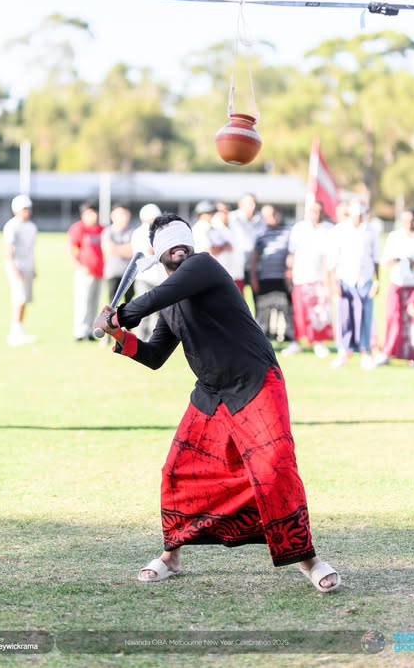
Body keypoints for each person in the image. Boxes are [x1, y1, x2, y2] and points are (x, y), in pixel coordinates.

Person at [93, 213, 340, 592]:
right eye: (167, 241)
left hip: (255, 383)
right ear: (158, 253)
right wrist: (121, 337)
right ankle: (171, 558)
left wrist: (119, 315)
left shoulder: (203, 265)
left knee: (275, 470)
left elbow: (153, 297)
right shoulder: (171, 303)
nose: (178, 245)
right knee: (176, 472)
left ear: (190, 243)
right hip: (212, 394)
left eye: (182, 237)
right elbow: (156, 355)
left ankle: (309, 560)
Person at [375, 207, 414, 366]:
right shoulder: (395, 237)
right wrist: (397, 260)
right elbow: (385, 261)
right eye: (406, 221)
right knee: (392, 318)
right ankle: (387, 352)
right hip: (398, 284)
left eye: (412, 220)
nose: (409, 223)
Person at [326, 199, 381, 369]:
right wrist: (334, 281)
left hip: (365, 279)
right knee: (345, 316)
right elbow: (333, 259)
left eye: (360, 215)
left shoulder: (371, 231)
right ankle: (344, 350)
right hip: (345, 278)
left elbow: (376, 258)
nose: (358, 218)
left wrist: (377, 281)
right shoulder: (340, 230)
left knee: (365, 315)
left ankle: (365, 352)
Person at [282, 200, 333, 359]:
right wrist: (289, 271)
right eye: (313, 211)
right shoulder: (299, 228)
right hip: (301, 276)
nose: (316, 215)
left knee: (319, 312)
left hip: (320, 278)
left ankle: (319, 343)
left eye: (319, 211)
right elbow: (292, 252)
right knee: (299, 311)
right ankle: (296, 342)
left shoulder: (329, 229)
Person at [250, 205, 293, 343]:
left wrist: (290, 271)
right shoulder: (261, 233)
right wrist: (253, 278)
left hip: (283, 277)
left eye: (273, 214)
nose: (272, 218)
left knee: (286, 308)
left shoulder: (288, 231)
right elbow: (255, 258)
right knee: (264, 310)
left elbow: (292, 253)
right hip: (265, 278)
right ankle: (263, 338)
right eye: (267, 216)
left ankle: (288, 337)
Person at [67, 201, 105, 341]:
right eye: (89, 213)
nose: (92, 216)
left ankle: (91, 330)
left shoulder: (101, 229)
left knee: (94, 303)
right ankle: (80, 331)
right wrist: (79, 266)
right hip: (84, 272)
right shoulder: (79, 228)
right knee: (83, 303)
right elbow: (71, 250)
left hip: (99, 272)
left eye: (94, 212)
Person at [3, 194, 37, 346]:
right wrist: (13, 268)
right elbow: (8, 249)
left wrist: (34, 267)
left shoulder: (31, 227)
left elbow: (31, 249)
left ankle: (20, 330)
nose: (26, 211)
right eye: (23, 209)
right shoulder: (12, 226)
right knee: (19, 298)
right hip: (17, 266)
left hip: (28, 266)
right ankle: (14, 332)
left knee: (25, 300)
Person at [130, 203, 166, 341]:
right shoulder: (141, 232)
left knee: (155, 312)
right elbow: (150, 250)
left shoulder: (159, 231)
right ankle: (143, 338)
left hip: (158, 278)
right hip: (145, 278)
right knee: (145, 310)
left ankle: (152, 339)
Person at [229, 193, 266, 299]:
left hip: (256, 267)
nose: (252, 206)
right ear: (240, 204)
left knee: (258, 298)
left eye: (254, 203)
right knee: (236, 298)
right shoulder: (232, 218)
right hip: (236, 268)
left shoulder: (261, 220)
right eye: (249, 203)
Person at [102, 205, 135, 305]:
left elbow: (133, 251)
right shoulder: (108, 231)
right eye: (119, 214)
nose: (122, 217)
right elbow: (108, 249)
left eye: (124, 214)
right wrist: (125, 248)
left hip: (130, 273)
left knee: (129, 303)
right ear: (112, 215)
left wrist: (116, 248)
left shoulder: (132, 232)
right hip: (113, 273)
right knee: (112, 303)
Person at [212, 202, 245, 292]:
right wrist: (223, 247)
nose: (225, 213)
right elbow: (210, 250)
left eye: (226, 210)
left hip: (237, 274)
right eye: (221, 211)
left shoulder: (235, 225)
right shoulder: (212, 227)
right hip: (221, 276)